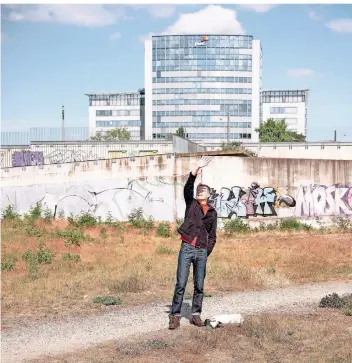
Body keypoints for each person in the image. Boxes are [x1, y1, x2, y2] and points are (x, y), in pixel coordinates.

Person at [169, 156, 218, 330]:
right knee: (181, 283)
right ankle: (175, 315)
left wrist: (206, 250)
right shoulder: (191, 204)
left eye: (203, 190)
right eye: (198, 190)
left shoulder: (212, 213)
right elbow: (188, 186)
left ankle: (195, 314)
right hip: (187, 248)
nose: (199, 191)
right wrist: (196, 168)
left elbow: (213, 235)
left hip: (201, 251)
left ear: (208, 195)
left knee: (199, 285)